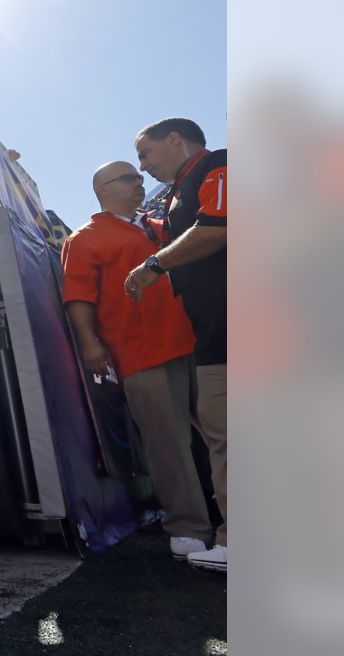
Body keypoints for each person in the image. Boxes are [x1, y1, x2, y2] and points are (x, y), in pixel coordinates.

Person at [62, 161, 212, 561]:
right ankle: (188, 529)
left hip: (198, 345)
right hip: (142, 353)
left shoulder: (157, 226)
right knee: (169, 446)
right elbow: (78, 298)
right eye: (129, 178)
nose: (139, 183)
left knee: (222, 435)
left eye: (139, 178)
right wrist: (91, 345)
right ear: (102, 189)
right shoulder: (85, 238)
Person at [125, 117, 227, 573]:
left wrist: (153, 264)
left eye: (145, 155)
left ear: (175, 139)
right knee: (221, 431)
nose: (142, 168)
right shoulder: (179, 192)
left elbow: (219, 226)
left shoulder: (219, 165)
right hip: (212, 333)